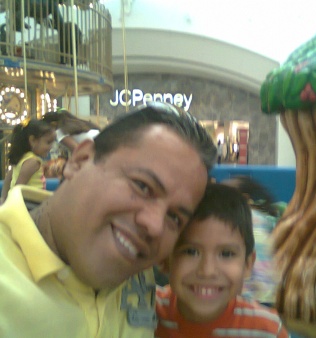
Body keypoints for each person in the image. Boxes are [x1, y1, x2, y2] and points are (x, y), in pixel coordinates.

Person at [0, 102, 217, 338]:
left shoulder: (140, 275)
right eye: (142, 186)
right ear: (80, 160)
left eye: (174, 217)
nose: (154, 226)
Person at [155, 183, 290, 337]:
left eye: (226, 254)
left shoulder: (268, 331)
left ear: (247, 264)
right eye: (191, 252)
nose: (207, 271)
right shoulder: (144, 311)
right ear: (164, 259)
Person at [222, 175, 281, 306]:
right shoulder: (264, 218)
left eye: (225, 195)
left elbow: (258, 262)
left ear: (244, 199)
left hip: (256, 293)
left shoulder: (247, 220)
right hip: (270, 292)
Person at [0, 119, 55, 203]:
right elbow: (18, 187)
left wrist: (3, 197)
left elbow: (8, 178)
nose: (51, 147)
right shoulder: (33, 162)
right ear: (32, 140)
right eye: (48, 142)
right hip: (29, 203)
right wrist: (8, 201)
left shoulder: (22, 158)